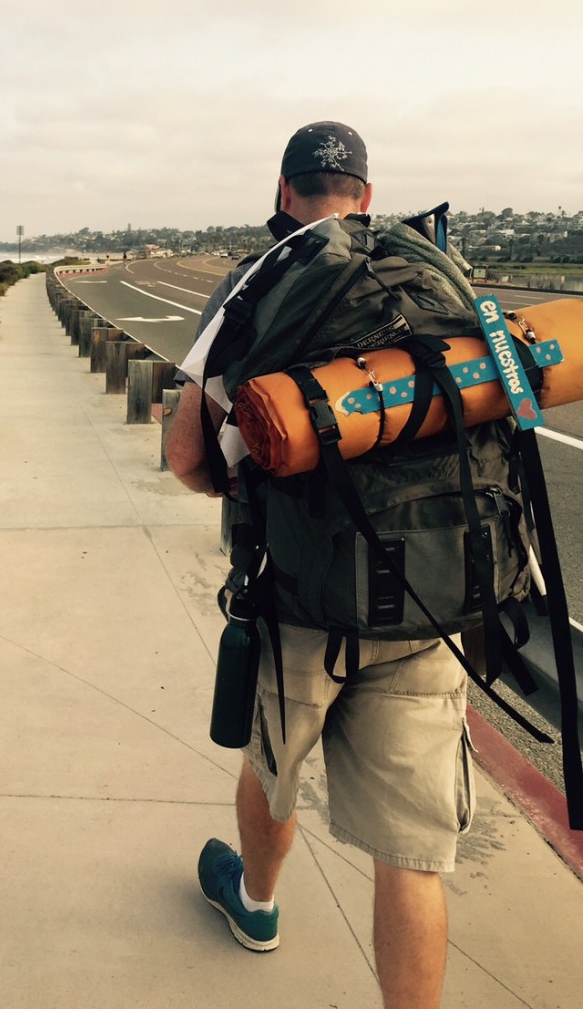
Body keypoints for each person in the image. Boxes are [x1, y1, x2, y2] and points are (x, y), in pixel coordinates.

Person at [165, 122, 472, 1009]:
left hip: (300, 597)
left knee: (273, 766)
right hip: (431, 596)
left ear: (282, 189)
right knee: (411, 853)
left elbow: (191, 458)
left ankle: (255, 904)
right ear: (367, 195)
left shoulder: (255, 282)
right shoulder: (436, 268)